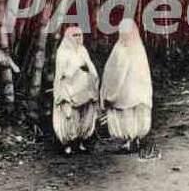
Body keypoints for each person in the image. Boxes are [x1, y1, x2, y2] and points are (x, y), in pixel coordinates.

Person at [100, 19, 153, 153]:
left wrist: (110, 93)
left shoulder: (124, 49)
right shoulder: (136, 48)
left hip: (127, 91)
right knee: (132, 114)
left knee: (128, 113)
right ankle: (133, 139)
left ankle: (130, 140)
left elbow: (117, 73)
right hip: (136, 92)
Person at [52, 25, 101, 155]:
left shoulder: (83, 50)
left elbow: (90, 67)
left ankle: (81, 142)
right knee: (69, 114)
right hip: (69, 88)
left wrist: (90, 73)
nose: (78, 38)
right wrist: (77, 66)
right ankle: (67, 144)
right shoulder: (62, 52)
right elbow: (62, 73)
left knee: (85, 114)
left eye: (80, 35)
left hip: (84, 88)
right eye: (75, 35)